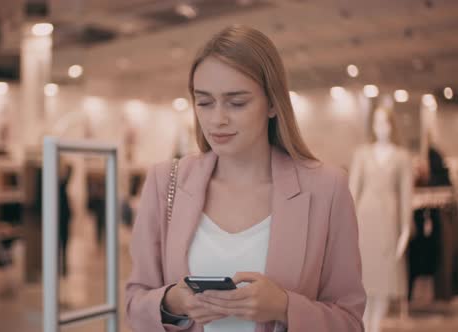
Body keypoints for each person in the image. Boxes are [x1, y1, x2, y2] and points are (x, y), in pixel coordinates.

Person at [125, 25, 366, 332]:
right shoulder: (165, 182)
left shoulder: (327, 189)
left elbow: (349, 321)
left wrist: (284, 307)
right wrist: (172, 302)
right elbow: (135, 303)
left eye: (237, 102)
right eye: (204, 102)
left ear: (273, 104)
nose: (217, 119)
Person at [348, 108, 412, 332]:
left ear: (392, 125)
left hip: (388, 224)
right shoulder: (362, 153)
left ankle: (375, 327)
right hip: (365, 222)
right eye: (377, 122)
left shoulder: (402, 157)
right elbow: (353, 190)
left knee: (384, 280)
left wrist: (405, 229)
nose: (381, 126)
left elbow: (406, 196)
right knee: (365, 280)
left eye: (385, 122)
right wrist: (346, 223)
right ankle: (364, 325)